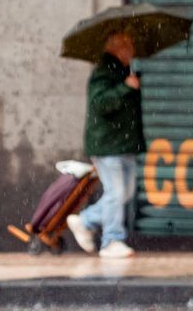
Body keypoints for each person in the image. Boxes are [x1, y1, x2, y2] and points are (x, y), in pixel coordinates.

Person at [67, 31, 145, 259]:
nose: (132, 50)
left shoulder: (122, 70)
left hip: (123, 144)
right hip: (107, 144)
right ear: (116, 48)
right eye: (128, 46)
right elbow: (100, 104)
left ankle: (85, 221)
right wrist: (126, 87)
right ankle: (111, 240)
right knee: (116, 191)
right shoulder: (103, 72)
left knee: (126, 191)